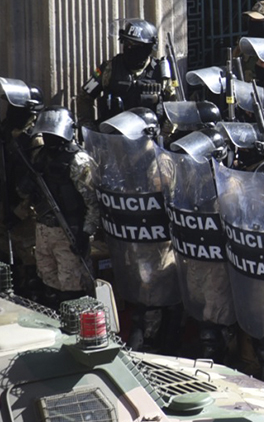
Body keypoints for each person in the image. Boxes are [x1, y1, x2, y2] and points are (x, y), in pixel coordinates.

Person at [19, 107, 99, 302]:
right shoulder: (40, 156)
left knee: (72, 287)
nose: (47, 138)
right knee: (47, 281)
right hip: (44, 227)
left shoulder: (78, 160)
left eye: (51, 134)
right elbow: (27, 192)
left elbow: (93, 201)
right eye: (45, 134)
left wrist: (86, 232)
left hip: (68, 231)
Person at [87, 18, 173, 120]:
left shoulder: (160, 71)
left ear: (149, 47)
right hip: (113, 133)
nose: (130, 48)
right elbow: (84, 97)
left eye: (137, 46)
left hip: (149, 134)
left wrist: (166, 132)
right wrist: (88, 125)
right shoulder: (109, 68)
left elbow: (174, 105)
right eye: (127, 44)